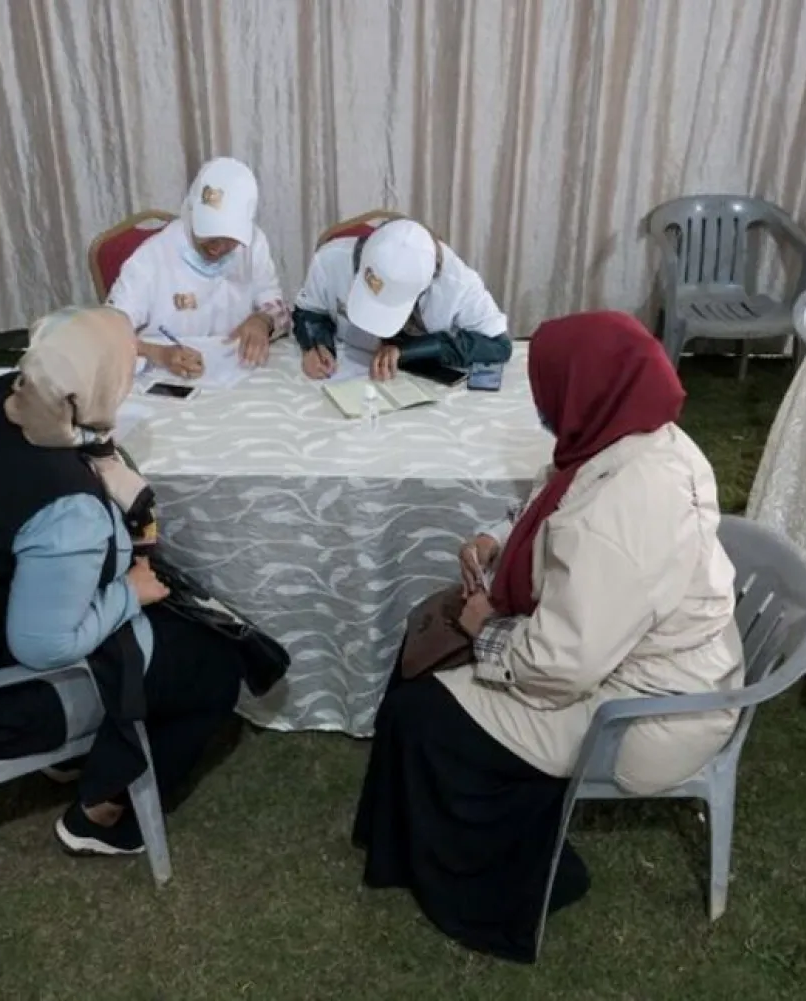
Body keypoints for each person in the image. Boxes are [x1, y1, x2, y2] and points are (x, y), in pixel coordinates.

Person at [352, 311, 744, 962]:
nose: (544, 405)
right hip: (621, 654)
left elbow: (564, 662)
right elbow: (556, 508)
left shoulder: (626, 506)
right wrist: (496, 542)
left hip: (644, 706)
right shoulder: (634, 436)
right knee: (427, 632)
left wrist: (486, 631)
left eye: (549, 389)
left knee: (424, 715)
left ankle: (497, 889)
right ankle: (412, 840)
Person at [0, 306, 253, 856]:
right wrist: (130, 592)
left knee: (176, 634)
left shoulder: (3, 399)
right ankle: (102, 812)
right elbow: (44, 647)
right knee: (214, 665)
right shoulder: (70, 510)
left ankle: (74, 761)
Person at [106, 157, 288, 379]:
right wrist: (160, 354)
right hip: (169, 377)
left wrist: (263, 321)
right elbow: (109, 331)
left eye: (229, 239)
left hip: (236, 374)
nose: (218, 248)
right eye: (210, 236)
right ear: (191, 214)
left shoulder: (253, 246)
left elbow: (279, 307)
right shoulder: (150, 259)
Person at [293, 217, 512, 381]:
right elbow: (310, 310)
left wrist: (410, 351)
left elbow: (498, 345)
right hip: (346, 371)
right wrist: (315, 344)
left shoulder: (457, 282)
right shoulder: (331, 259)